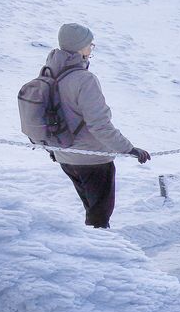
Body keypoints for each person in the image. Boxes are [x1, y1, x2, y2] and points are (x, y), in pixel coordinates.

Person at [47, 22, 150, 229]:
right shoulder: (84, 79)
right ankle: (99, 256)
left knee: (92, 213)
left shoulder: (50, 74)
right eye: (89, 44)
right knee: (99, 218)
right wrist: (129, 149)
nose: (91, 48)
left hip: (64, 156)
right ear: (80, 47)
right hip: (92, 159)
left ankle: (93, 252)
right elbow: (99, 124)